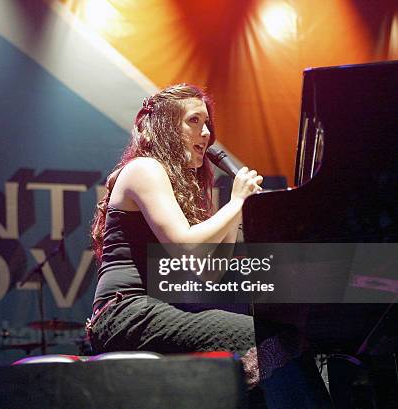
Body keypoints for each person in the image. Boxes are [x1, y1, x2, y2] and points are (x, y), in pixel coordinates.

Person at [87, 84, 332, 408]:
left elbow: (208, 273)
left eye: (207, 124)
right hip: (125, 313)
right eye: (194, 121)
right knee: (268, 341)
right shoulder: (144, 169)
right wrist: (237, 201)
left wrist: (236, 212)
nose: (206, 133)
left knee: (277, 341)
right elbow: (185, 247)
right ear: (165, 125)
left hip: (153, 309)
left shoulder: (170, 180)